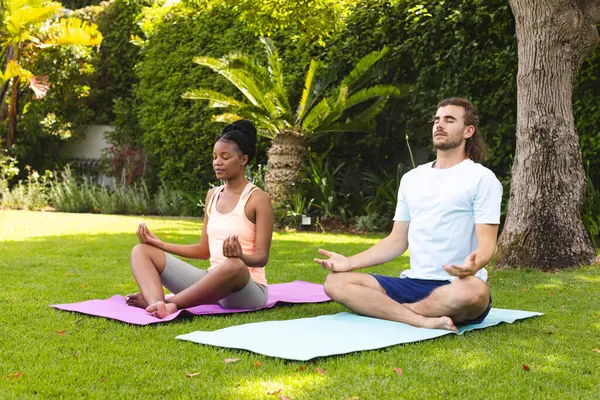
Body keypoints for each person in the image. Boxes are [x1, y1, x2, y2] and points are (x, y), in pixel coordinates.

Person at [314, 98, 502, 331]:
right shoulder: (412, 178)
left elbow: (487, 245)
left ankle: (391, 310)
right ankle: (420, 319)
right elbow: (397, 240)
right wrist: (349, 262)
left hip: (456, 283)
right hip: (412, 282)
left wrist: (474, 267)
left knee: (475, 292)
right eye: (437, 120)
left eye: (449, 120)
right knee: (335, 282)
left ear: (468, 131)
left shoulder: (482, 179)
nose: (439, 125)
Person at [126, 119, 274, 318]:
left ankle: (171, 303)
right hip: (211, 282)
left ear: (243, 160)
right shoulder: (213, 195)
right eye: (214, 157)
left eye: (225, 156)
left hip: (246, 289)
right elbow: (203, 250)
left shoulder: (258, 199)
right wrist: (159, 244)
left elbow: (261, 258)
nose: (217, 162)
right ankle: (156, 304)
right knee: (141, 251)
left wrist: (240, 256)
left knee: (233, 265)